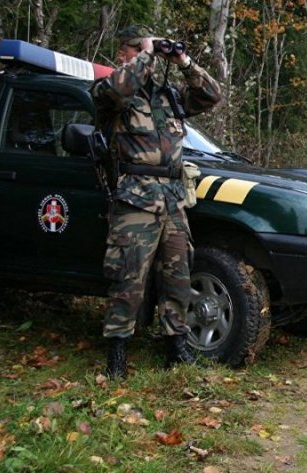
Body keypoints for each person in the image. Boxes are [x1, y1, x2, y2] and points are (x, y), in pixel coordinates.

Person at [91, 25, 222, 378]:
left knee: (178, 277)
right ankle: (117, 352)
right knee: (128, 278)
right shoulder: (111, 92)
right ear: (124, 54)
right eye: (137, 49)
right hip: (135, 197)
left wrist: (182, 61)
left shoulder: (169, 97)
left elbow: (212, 95)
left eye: (145, 50)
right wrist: (147, 54)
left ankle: (175, 346)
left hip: (173, 199)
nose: (145, 56)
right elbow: (120, 88)